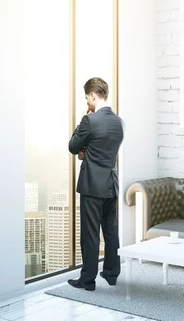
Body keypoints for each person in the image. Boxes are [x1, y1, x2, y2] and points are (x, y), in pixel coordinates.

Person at [67, 77, 124, 291]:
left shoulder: (89, 120)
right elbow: (106, 149)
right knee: (111, 232)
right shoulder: (119, 122)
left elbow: (73, 146)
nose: (87, 102)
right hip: (111, 184)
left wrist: (82, 123)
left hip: (92, 186)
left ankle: (88, 280)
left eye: (86, 98)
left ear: (92, 95)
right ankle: (111, 274)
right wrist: (88, 151)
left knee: (90, 234)